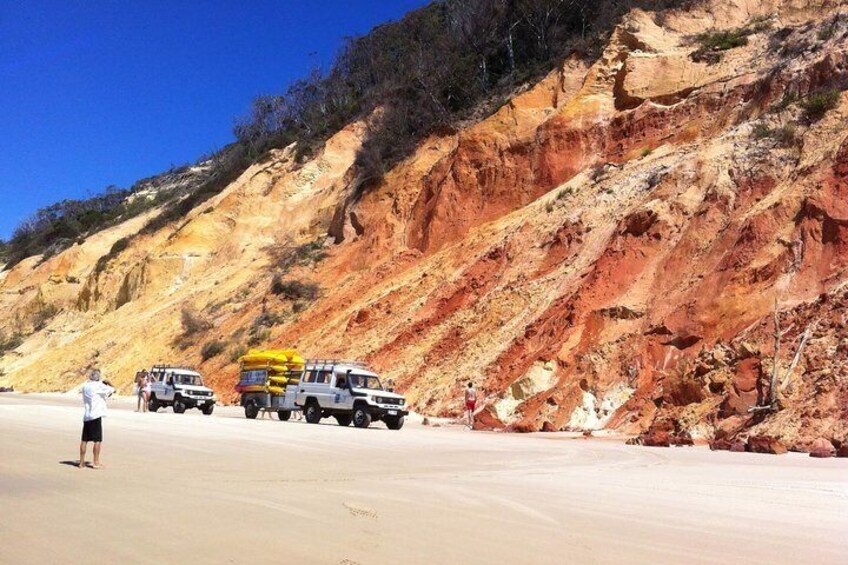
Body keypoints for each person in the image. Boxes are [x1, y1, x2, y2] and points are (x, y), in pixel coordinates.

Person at [79, 369, 115, 469]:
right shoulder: (99, 385)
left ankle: (81, 462)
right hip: (96, 415)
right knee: (97, 440)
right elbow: (113, 390)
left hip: (87, 415)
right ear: (98, 377)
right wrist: (108, 383)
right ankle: (96, 462)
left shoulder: (85, 386)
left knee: (84, 440)